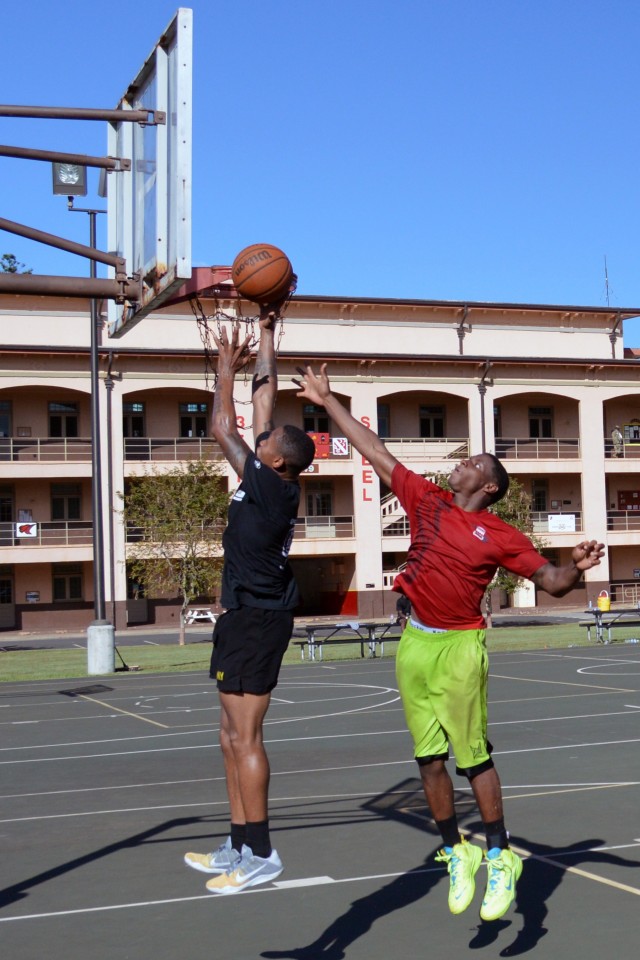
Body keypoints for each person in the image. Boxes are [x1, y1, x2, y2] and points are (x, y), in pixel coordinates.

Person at [294, 362, 605, 921]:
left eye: (474, 462)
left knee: (472, 759)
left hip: (461, 649)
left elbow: (555, 584)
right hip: (415, 643)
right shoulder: (425, 501)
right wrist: (328, 401)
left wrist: (576, 567)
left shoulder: (504, 536)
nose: (462, 463)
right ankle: (456, 850)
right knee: (428, 759)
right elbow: (375, 451)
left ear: (488, 485)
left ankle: (501, 856)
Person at [184, 309, 315, 895]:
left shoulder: (268, 484)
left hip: (260, 619)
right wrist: (267, 333)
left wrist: (220, 368)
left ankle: (262, 854)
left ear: (276, 459)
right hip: (243, 614)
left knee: (247, 737)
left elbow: (222, 425)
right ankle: (237, 840)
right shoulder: (267, 476)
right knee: (226, 734)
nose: (258, 436)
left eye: (263, 442)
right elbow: (263, 407)